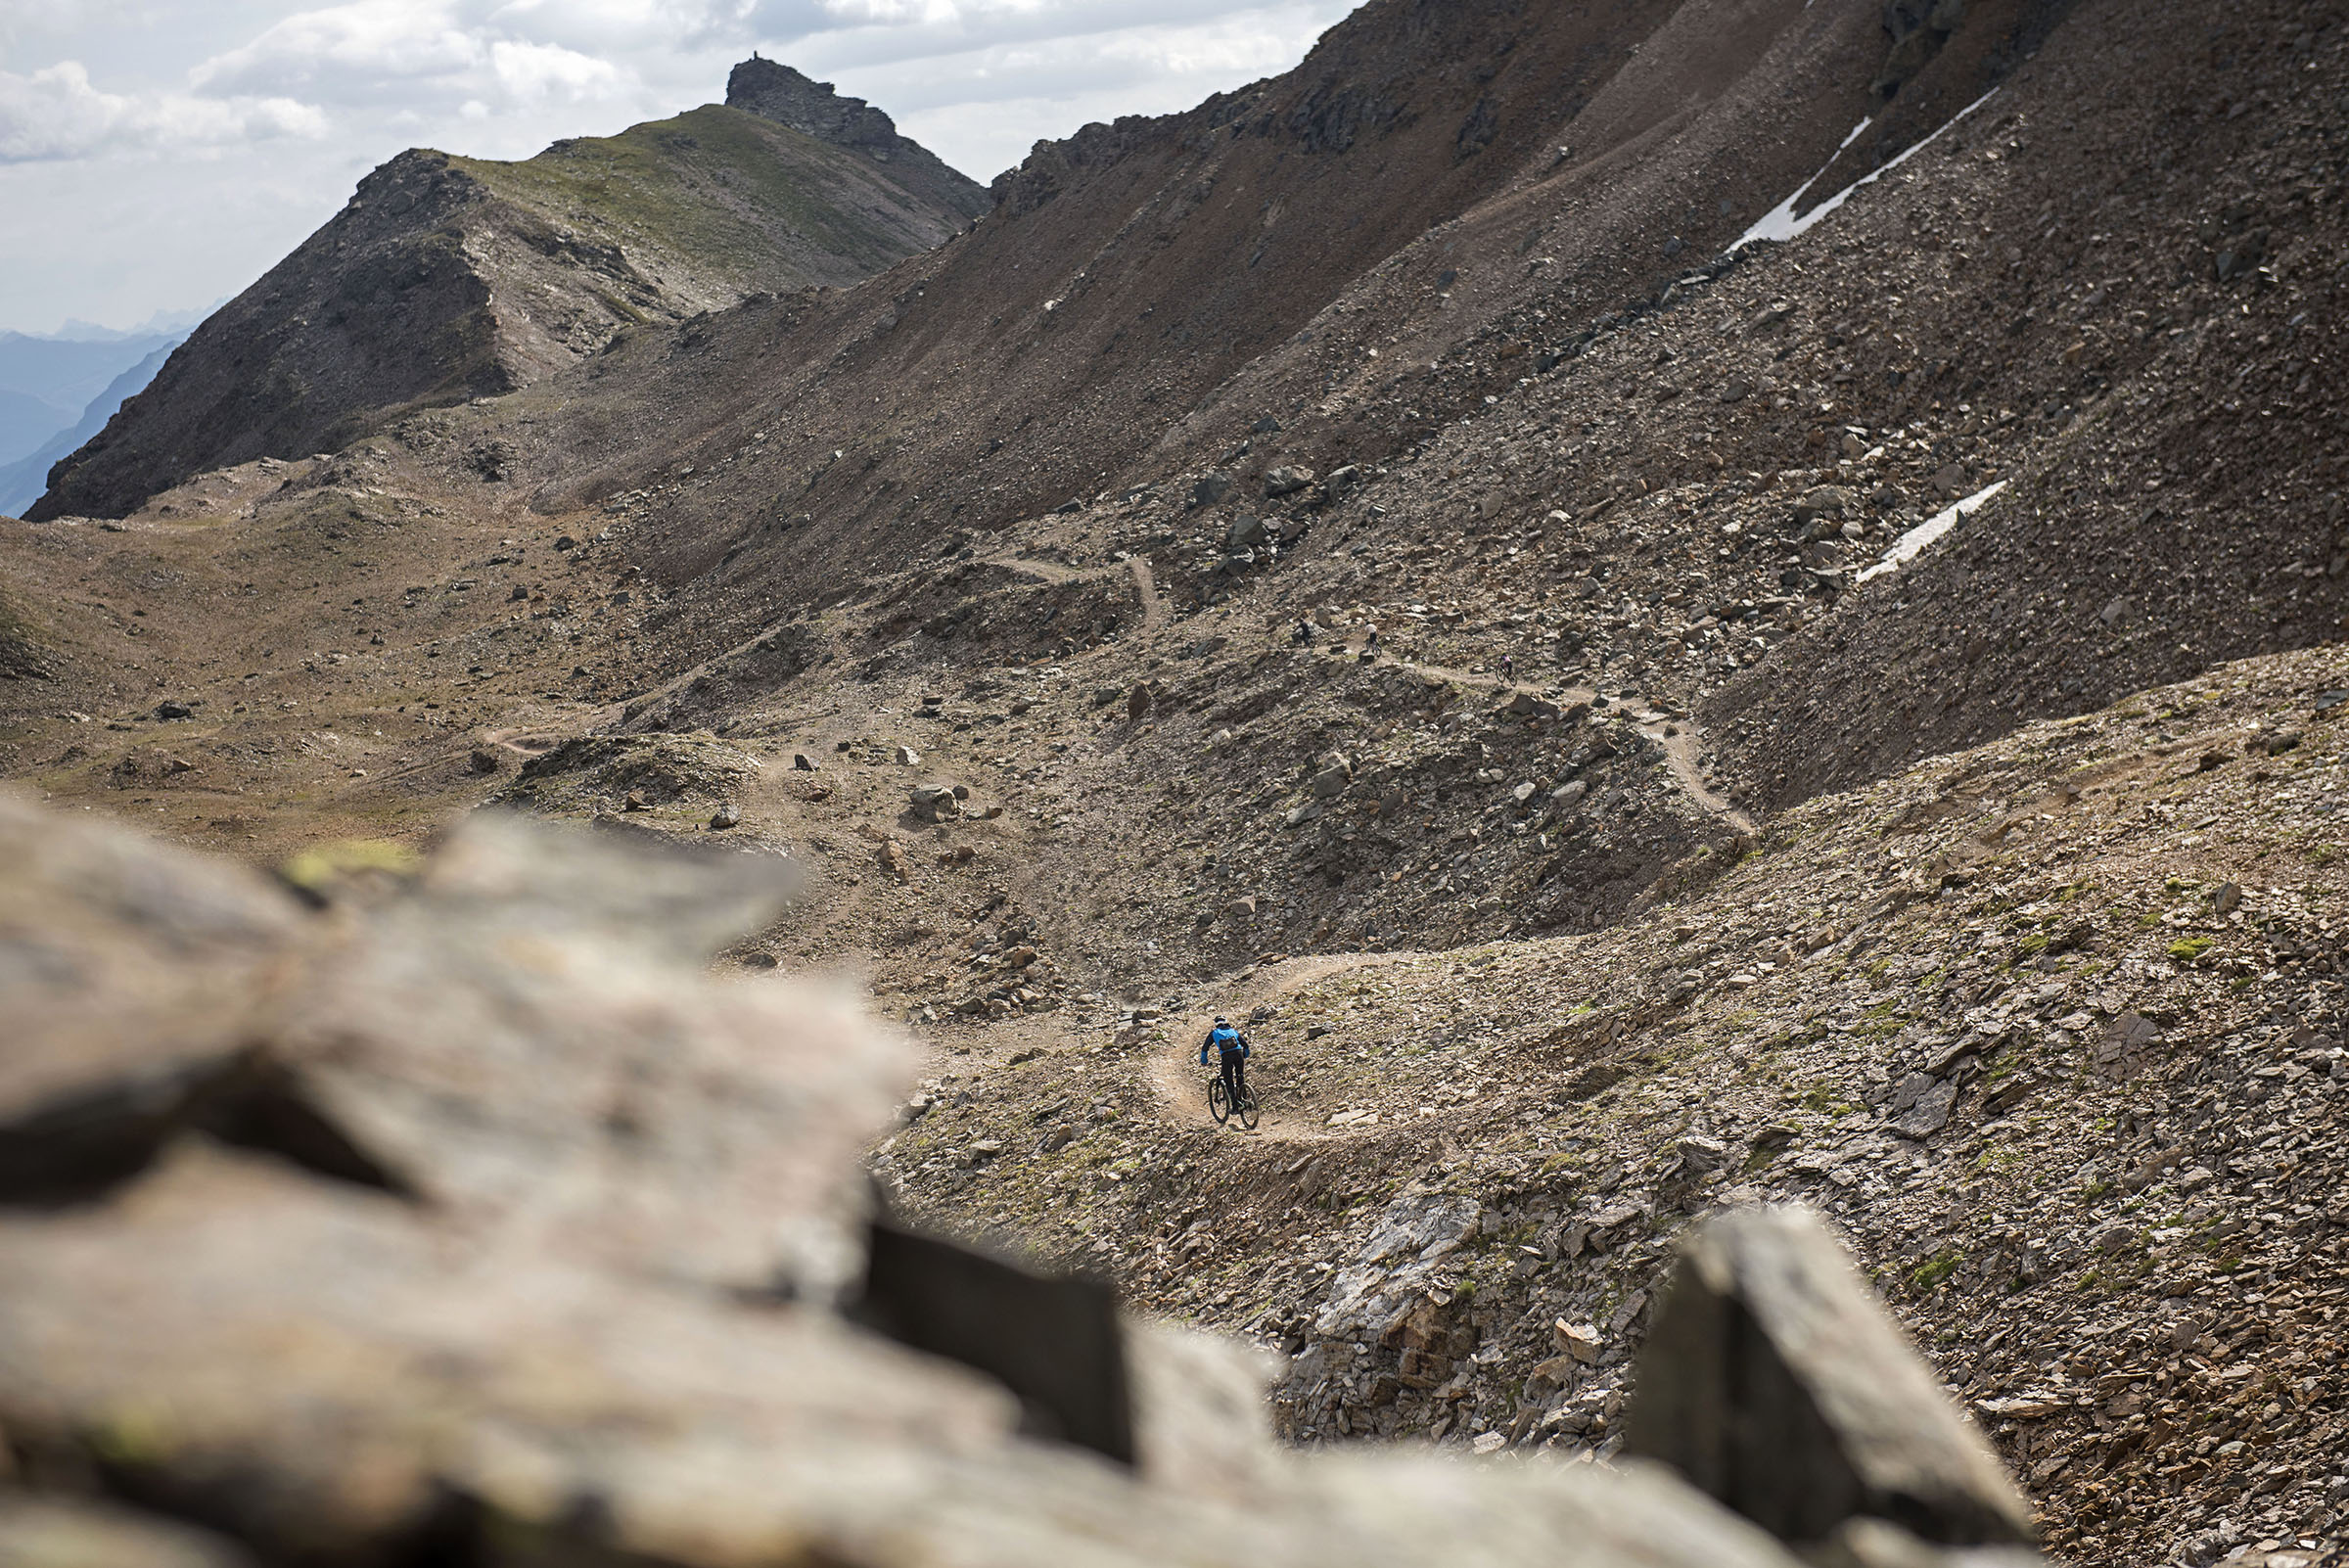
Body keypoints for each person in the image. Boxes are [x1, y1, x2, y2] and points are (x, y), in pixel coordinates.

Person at [1199, 1016, 1251, 1111]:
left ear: (1216, 1024)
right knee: (1240, 1076)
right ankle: (1244, 1100)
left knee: (1229, 1080)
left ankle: (1235, 1107)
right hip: (1238, 1054)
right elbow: (1245, 1044)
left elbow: (1205, 1048)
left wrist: (1204, 1061)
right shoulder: (1233, 1031)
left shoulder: (1214, 1033)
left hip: (1226, 1057)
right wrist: (1245, 1055)